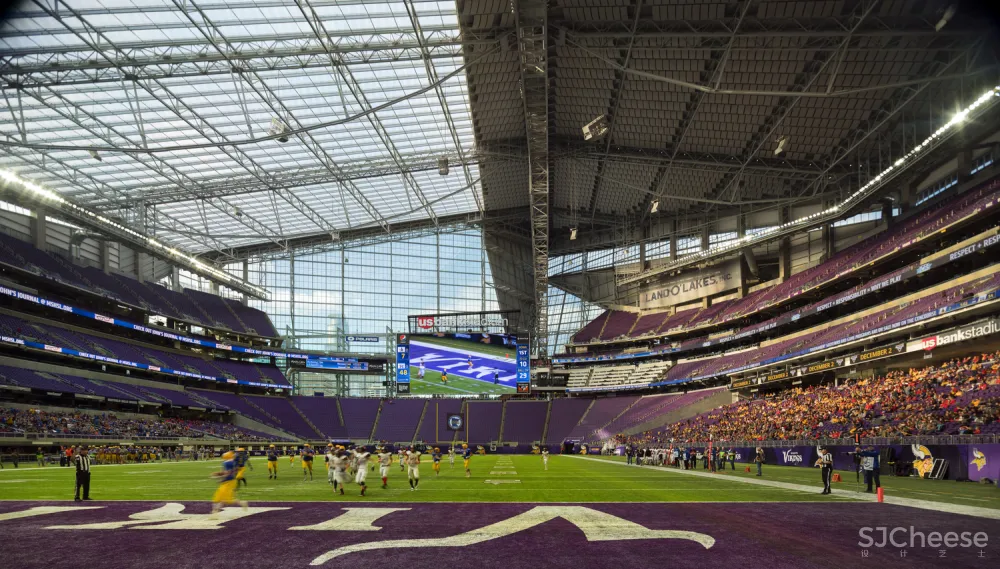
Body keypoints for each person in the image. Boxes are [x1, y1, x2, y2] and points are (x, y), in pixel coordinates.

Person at [211, 451, 247, 515]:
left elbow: (227, 473)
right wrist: (219, 474)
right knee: (219, 497)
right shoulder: (232, 462)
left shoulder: (227, 463)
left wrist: (219, 478)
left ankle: (242, 503)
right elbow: (228, 472)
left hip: (229, 482)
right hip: (229, 481)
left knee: (226, 499)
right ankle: (215, 512)